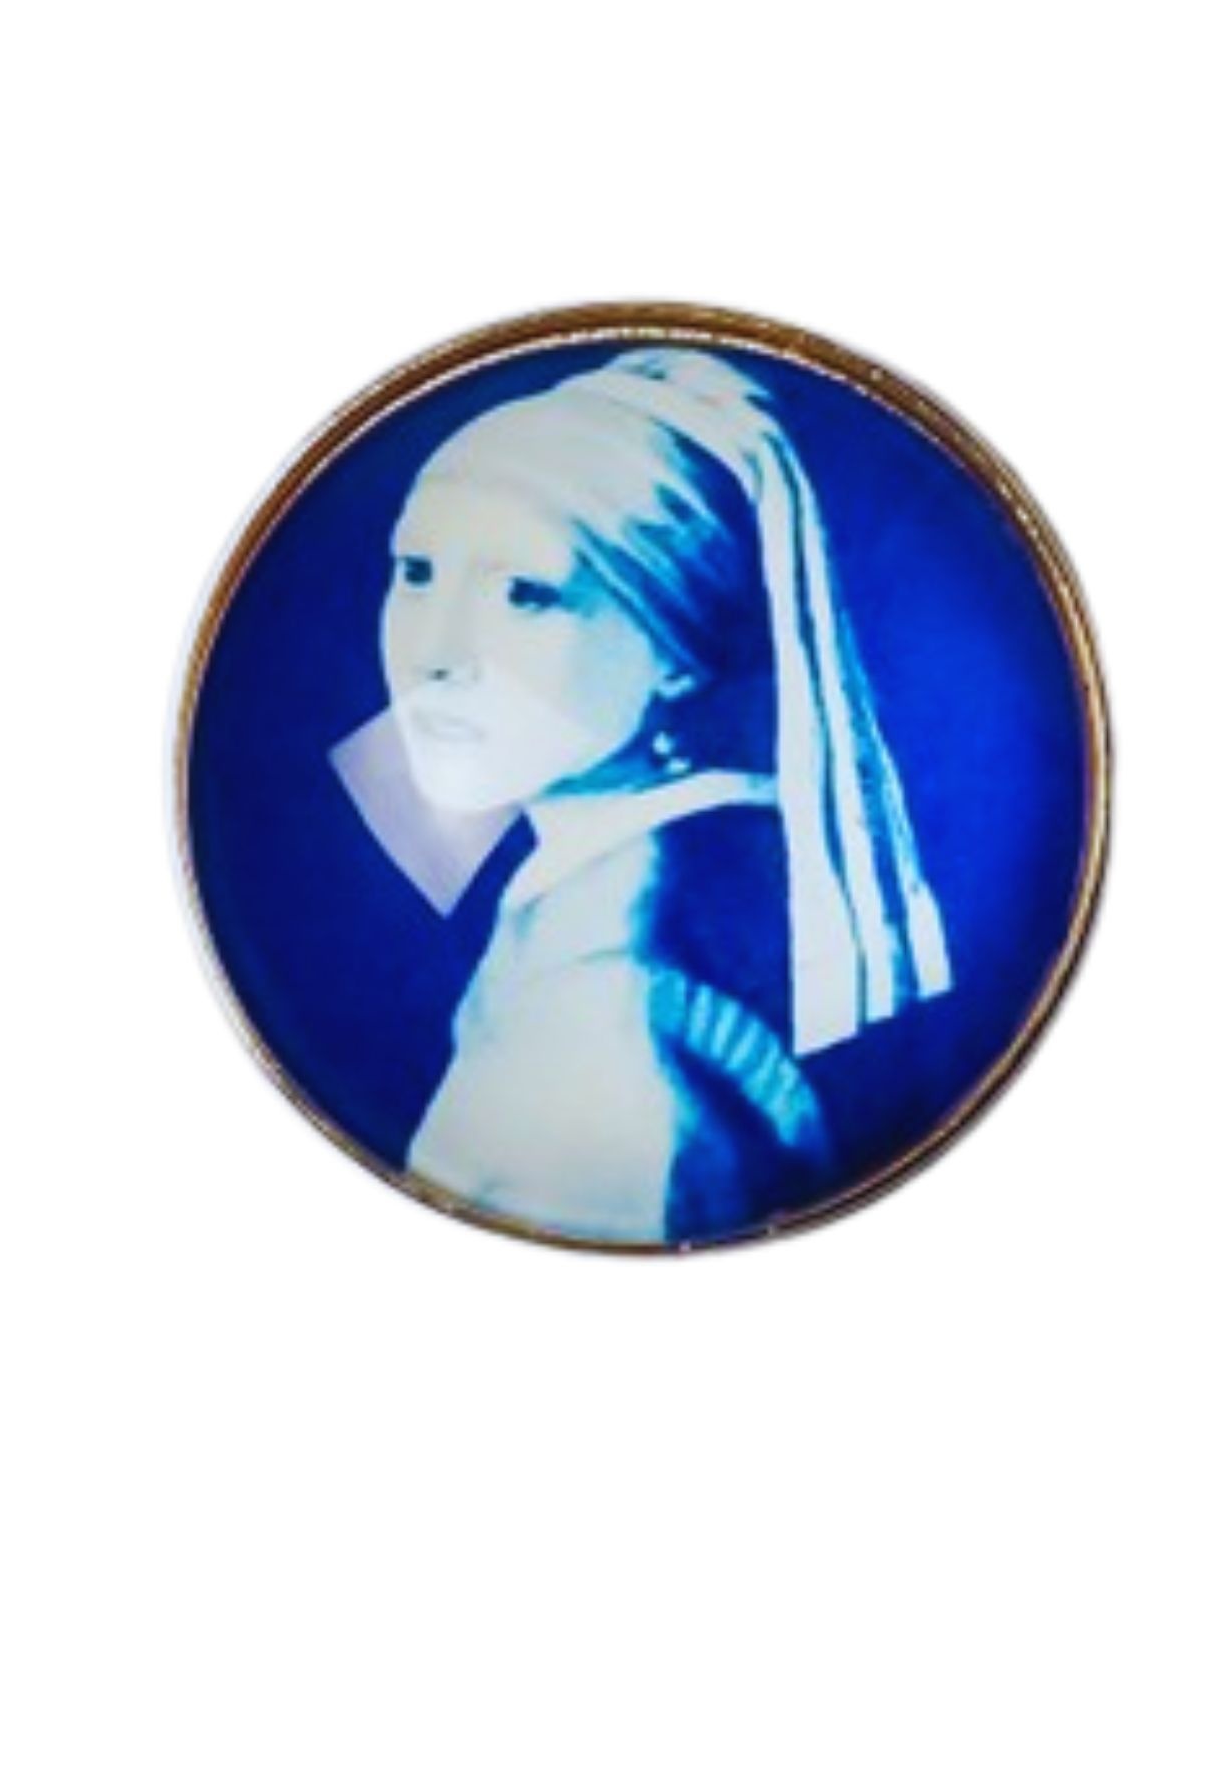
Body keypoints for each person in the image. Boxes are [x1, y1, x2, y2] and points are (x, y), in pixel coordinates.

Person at [344, 347, 951, 1245]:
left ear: (673, 650)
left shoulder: (615, 975)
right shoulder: (672, 869)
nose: (436, 652)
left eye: (525, 594)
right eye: (416, 572)